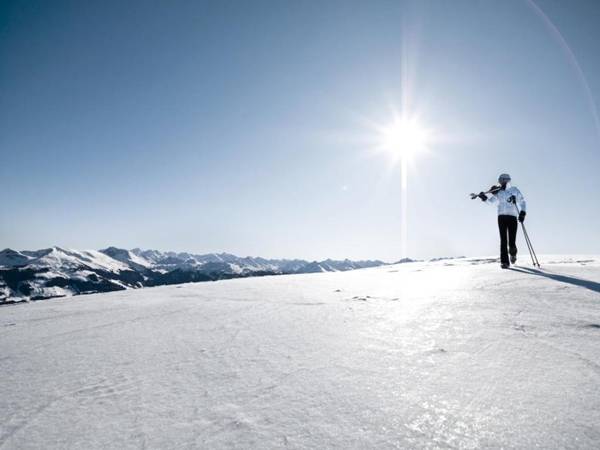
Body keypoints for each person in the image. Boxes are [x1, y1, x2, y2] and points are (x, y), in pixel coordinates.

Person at [478, 173, 526, 269]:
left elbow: (522, 201)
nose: (499, 182)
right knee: (503, 240)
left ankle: (513, 254)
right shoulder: (498, 192)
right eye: (499, 181)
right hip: (501, 217)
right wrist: (483, 197)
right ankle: (505, 262)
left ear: (506, 180)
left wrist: (522, 213)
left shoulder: (514, 190)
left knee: (511, 241)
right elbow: (490, 202)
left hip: (512, 217)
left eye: (501, 180)